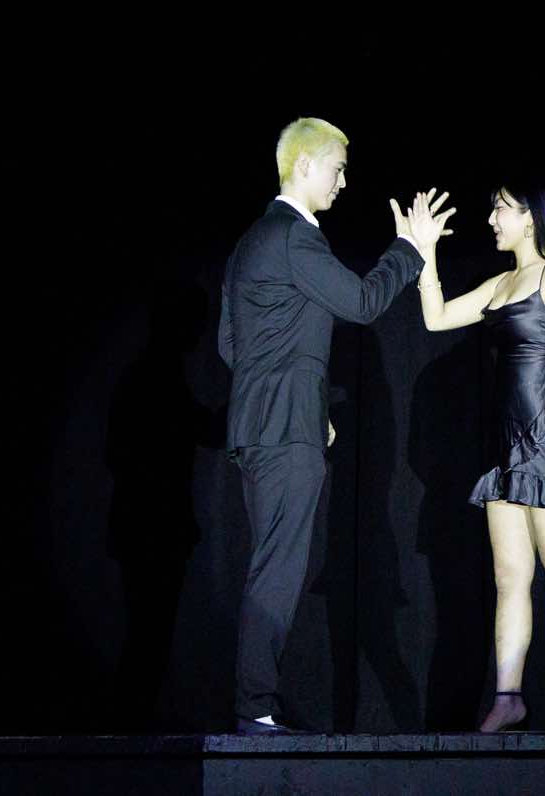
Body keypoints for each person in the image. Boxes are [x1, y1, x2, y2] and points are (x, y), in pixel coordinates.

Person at [219, 117, 445, 734]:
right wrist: (410, 250)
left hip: (257, 429)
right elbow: (362, 303)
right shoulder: (297, 237)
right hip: (284, 433)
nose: (344, 183)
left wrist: (301, 401)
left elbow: (231, 345)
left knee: (270, 564)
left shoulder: (249, 242)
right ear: (305, 165)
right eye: (339, 169)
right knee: (277, 570)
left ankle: (255, 704)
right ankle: (253, 707)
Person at [406, 174, 545, 731]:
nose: (491, 219)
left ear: (531, 216)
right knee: (509, 579)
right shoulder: (501, 284)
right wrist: (426, 252)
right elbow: (435, 317)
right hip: (505, 451)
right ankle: (508, 697)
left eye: (500, 208)